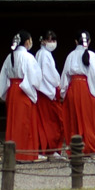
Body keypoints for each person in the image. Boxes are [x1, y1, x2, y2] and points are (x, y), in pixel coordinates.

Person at [61, 31, 95, 160]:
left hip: (72, 89)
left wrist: (64, 92)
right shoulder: (92, 56)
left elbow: (65, 75)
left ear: (76, 42)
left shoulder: (70, 55)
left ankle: (77, 149)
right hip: (86, 88)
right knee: (94, 119)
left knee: (74, 119)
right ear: (89, 41)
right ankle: (93, 148)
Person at [0, 32, 41, 161]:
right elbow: (35, 78)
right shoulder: (28, 57)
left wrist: (6, 92)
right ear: (27, 42)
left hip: (13, 90)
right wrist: (32, 92)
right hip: (23, 90)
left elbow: (2, 78)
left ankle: (12, 154)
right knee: (25, 123)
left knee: (13, 122)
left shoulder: (9, 57)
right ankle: (25, 154)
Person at [33, 30, 67, 158]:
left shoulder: (41, 53)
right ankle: (48, 149)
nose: (52, 43)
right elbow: (49, 73)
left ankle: (48, 149)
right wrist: (57, 82)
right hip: (47, 92)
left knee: (46, 122)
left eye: (53, 40)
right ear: (43, 41)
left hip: (44, 92)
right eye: (49, 40)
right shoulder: (44, 54)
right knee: (53, 121)